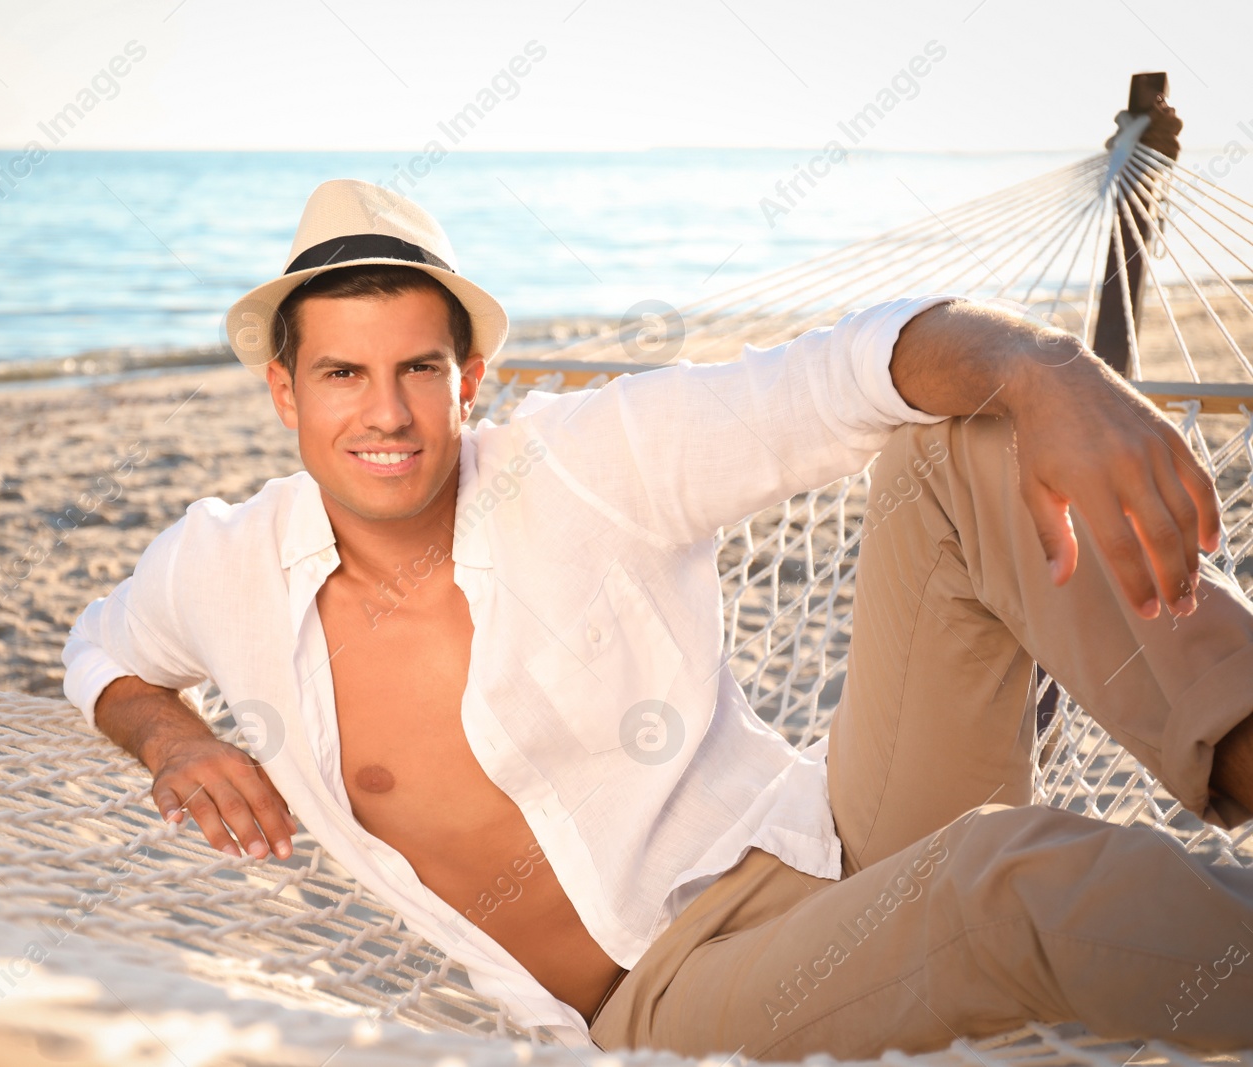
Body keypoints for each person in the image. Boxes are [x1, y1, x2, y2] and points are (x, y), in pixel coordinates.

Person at [61, 176, 1253, 1059]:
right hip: (670, 997)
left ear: (469, 376)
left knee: (966, 437)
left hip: (829, 840)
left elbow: (838, 373)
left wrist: (1049, 370)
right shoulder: (224, 566)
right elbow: (105, 646)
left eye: (418, 368)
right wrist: (178, 739)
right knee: (1009, 880)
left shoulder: (582, 463)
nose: (388, 413)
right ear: (283, 390)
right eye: (341, 374)